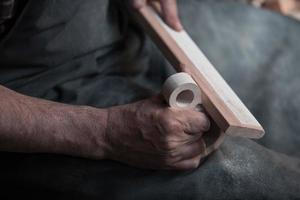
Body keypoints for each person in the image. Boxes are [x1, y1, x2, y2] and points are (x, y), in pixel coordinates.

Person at [0, 0, 299, 199]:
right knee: (253, 181)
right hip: (36, 94)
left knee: (290, 58)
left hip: (127, 16)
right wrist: (105, 132)